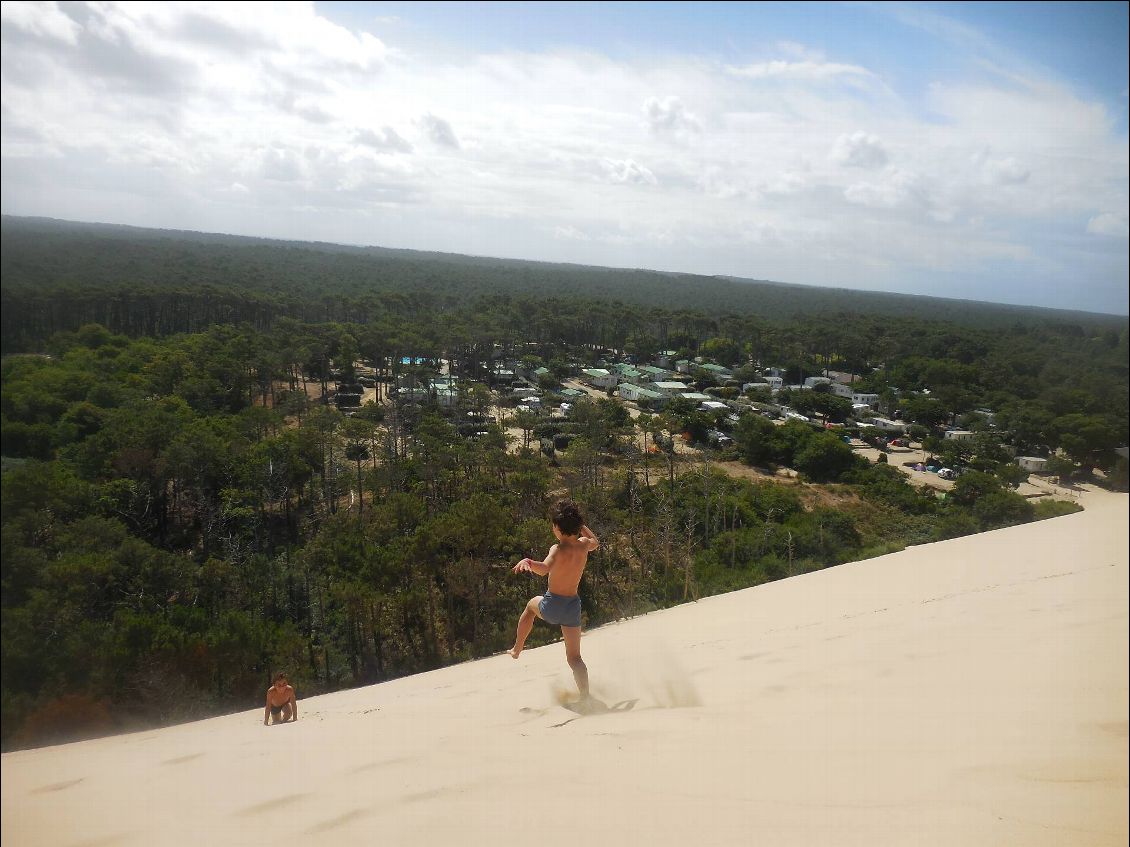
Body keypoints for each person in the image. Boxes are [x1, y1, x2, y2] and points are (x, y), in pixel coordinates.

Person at [509, 498, 599, 699]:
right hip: (572, 607)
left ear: (557, 528)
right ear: (576, 526)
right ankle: (585, 696)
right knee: (575, 658)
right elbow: (595, 542)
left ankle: (517, 649)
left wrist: (529, 562)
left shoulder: (557, 549)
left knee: (531, 606)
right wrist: (581, 525)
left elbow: (544, 569)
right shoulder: (584, 545)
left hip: (553, 604)